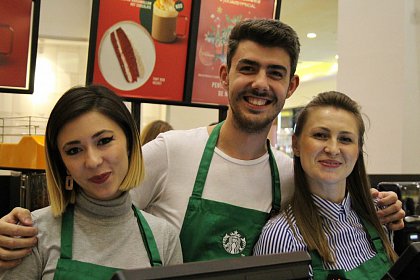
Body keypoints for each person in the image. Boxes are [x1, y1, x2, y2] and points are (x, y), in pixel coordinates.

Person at [0, 19, 404, 267]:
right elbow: (95, 211)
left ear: (291, 86)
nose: (260, 83)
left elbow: (334, 212)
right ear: (226, 76)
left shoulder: (288, 173)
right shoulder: (171, 153)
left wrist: (381, 207)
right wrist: (21, 229)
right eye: (248, 68)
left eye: (275, 73)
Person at [0, 85, 182, 279]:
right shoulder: (34, 234)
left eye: (104, 141)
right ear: (62, 164)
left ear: (129, 141)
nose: (93, 161)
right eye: (74, 150)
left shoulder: (164, 238)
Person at [254, 91, 397, 279]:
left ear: (358, 150)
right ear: (296, 145)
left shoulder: (378, 216)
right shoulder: (282, 238)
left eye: (345, 139)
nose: (332, 149)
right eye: (321, 135)